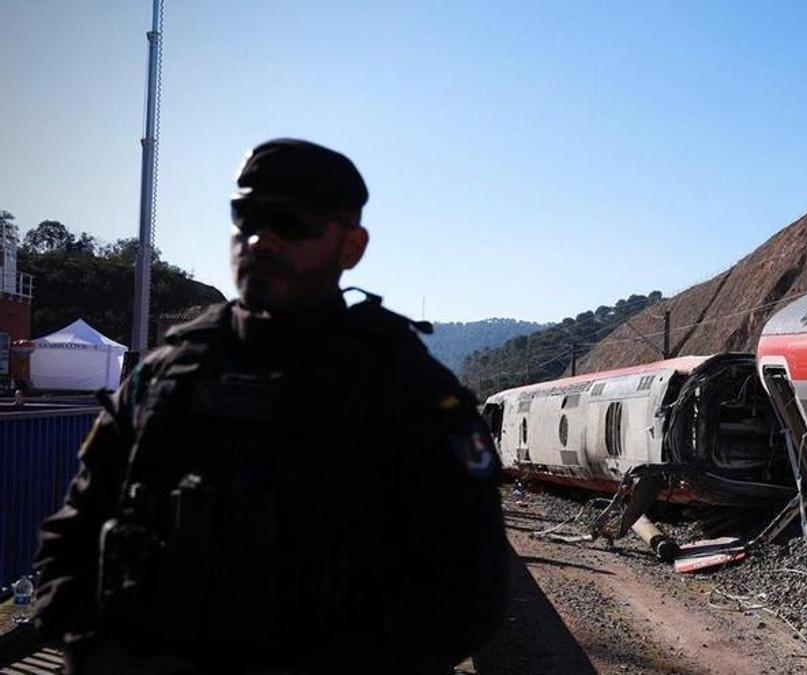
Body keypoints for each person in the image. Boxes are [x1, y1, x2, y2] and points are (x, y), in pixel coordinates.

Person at [33, 139, 508, 673]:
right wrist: (92, 650)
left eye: (291, 223)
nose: (260, 241)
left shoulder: (409, 392)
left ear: (351, 247)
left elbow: (470, 593)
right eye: (247, 218)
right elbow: (69, 538)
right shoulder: (163, 376)